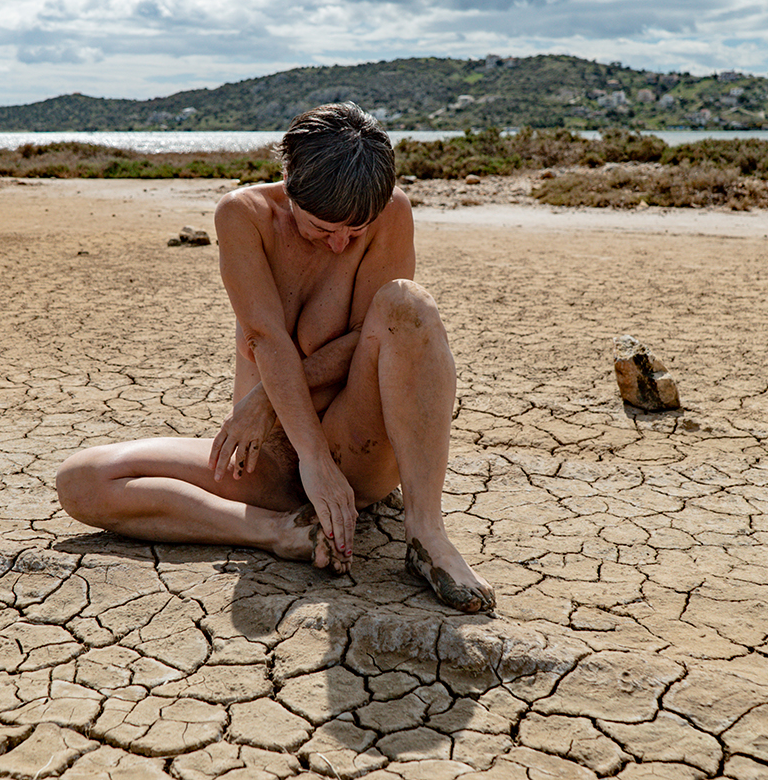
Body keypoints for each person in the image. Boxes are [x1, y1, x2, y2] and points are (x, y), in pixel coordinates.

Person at [56, 102, 494, 613]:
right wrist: (304, 457)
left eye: (354, 232)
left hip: (356, 449)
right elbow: (266, 337)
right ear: (287, 181)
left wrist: (267, 402)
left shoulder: (391, 211)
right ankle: (282, 534)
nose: (339, 243)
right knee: (82, 481)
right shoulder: (243, 215)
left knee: (407, 302)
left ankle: (426, 536)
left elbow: (370, 338)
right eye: (321, 226)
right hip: (266, 461)